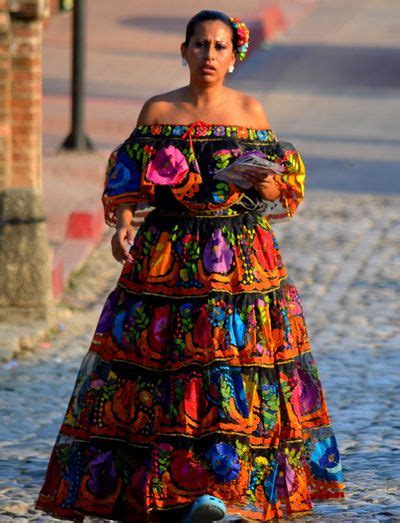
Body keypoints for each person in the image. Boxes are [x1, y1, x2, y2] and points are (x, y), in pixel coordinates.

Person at [35, 9, 345, 522]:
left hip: (241, 259)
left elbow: (280, 190)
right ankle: (171, 488)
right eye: (199, 44)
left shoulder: (251, 111)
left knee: (229, 367)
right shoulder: (158, 110)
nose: (208, 55)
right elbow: (130, 178)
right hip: (168, 258)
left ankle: (222, 487)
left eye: (219, 46)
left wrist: (267, 184)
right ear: (183, 51)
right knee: (166, 368)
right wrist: (125, 224)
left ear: (233, 57)